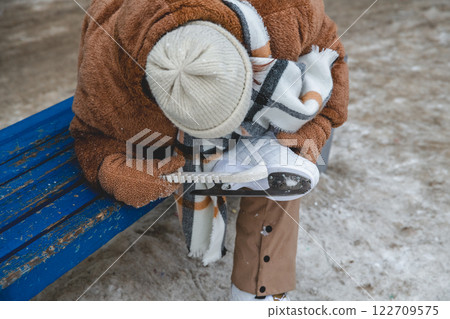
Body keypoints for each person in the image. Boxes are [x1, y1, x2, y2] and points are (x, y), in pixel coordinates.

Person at [70, 0, 349, 300]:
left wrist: (316, 126)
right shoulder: (109, 81)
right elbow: (90, 139)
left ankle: (258, 293)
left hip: (260, 74)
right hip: (163, 134)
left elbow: (330, 52)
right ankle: (222, 158)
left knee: (284, 162)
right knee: (273, 163)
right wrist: (122, 176)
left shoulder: (284, 10)